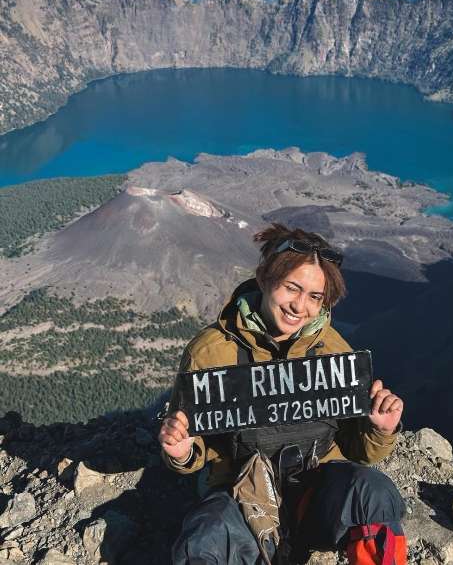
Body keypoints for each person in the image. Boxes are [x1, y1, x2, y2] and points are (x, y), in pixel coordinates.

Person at [159, 223, 406, 565]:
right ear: (264, 278)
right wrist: (183, 451)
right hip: (240, 492)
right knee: (204, 539)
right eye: (292, 288)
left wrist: (379, 429)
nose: (299, 306)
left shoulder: (334, 351)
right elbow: (194, 448)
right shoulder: (210, 352)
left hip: (315, 491)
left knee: (374, 494)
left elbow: (358, 452)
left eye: (315, 297)